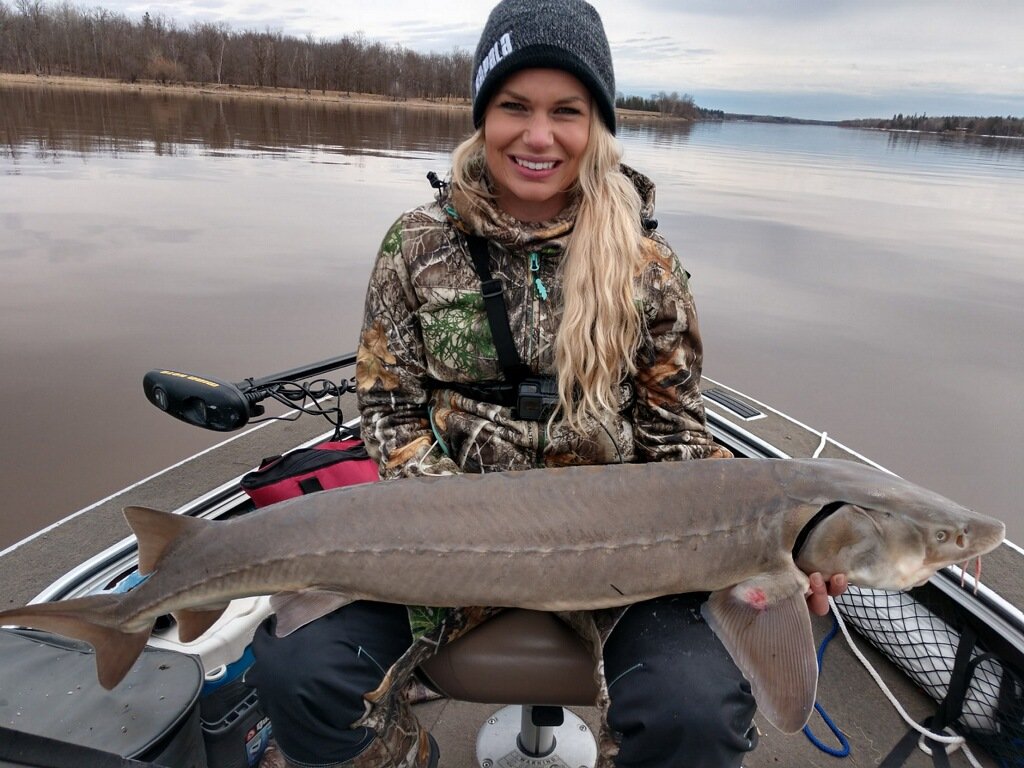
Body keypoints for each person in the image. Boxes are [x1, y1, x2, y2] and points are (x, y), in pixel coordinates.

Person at [250, 1, 848, 766]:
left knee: (695, 711)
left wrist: (779, 545)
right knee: (300, 670)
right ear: (483, 116)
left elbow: (675, 437)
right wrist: (455, 530)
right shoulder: (414, 245)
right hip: (441, 539)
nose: (539, 136)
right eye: (514, 107)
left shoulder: (648, 268)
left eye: (566, 110)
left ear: (594, 123)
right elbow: (389, 408)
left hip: (625, 557)